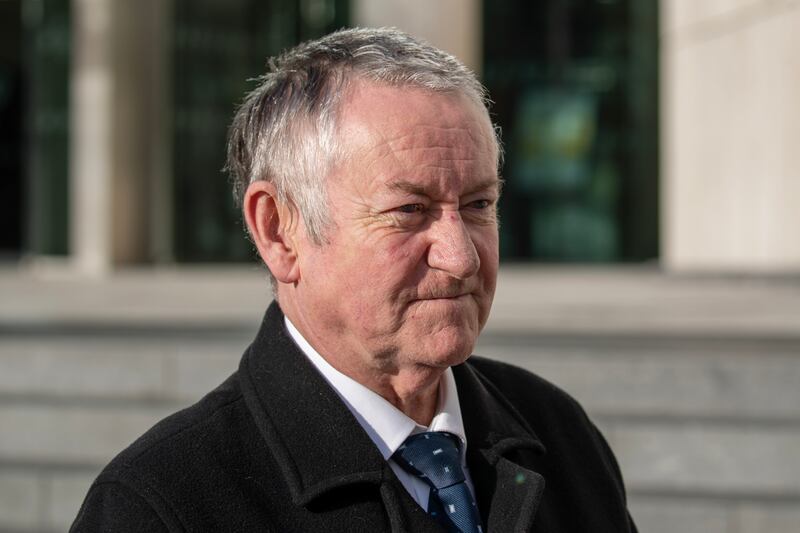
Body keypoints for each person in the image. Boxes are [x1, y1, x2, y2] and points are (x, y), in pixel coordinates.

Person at [71, 28, 637, 532]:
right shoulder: (161, 505)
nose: (461, 258)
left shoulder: (557, 434)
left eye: (478, 204)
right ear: (279, 231)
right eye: (409, 210)